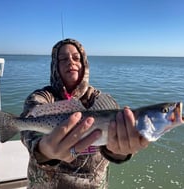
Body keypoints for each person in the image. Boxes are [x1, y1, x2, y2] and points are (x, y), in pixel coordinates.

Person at [20, 38, 149, 189]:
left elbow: (111, 144)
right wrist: (43, 148)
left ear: (85, 64)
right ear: (55, 65)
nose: (71, 62)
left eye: (76, 58)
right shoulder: (42, 97)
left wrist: (121, 151)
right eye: (63, 59)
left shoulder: (105, 101)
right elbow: (27, 125)